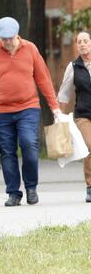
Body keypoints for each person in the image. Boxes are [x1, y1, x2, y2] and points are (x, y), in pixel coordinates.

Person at [0, 17, 61, 206]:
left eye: (10, 38)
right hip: (1, 110)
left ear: (17, 35)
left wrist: (54, 106)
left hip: (28, 107)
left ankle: (31, 187)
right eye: (3, 39)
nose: (6, 42)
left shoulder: (30, 49)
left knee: (29, 144)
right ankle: (14, 192)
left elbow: (43, 79)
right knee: (7, 152)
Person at [56, 30, 91, 203]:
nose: (82, 44)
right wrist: (59, 116)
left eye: (85, 41)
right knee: (90, 145)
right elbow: (64, 93)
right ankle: (90, 186)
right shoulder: (73, 67)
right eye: (79, 42)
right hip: (83, 115)